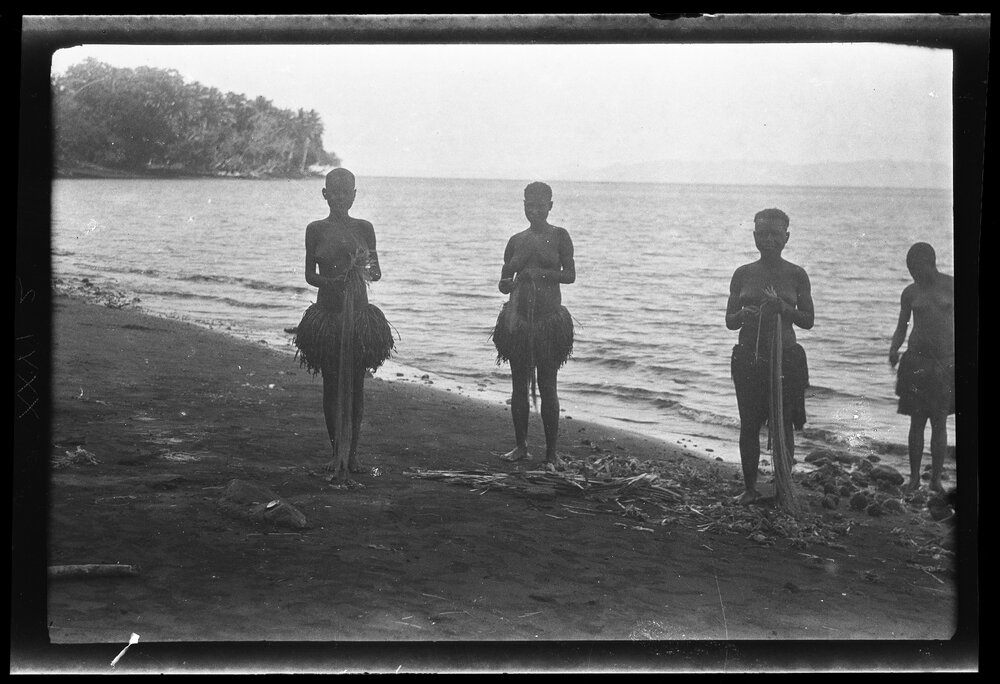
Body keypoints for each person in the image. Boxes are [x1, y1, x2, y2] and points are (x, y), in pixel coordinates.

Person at [293, 168, 394, 484]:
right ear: (324, 194)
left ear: (354, 194)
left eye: (345, 192)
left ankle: (353, 455)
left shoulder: (365, 228)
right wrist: (331, 281)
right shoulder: (315, 230)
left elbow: (376, 273)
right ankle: (336, 451)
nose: (339, 198)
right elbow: (310, 275)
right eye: (333, 192)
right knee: (332, 384)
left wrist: (359, 269)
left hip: (359, 316)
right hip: (328, 315)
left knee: (356, 385)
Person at [726, 208, 815, 504]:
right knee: (749, 424)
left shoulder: (797, 275)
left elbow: (808, 319)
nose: (768, 239)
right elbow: (729, 320)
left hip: (786, 359)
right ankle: (750, 489)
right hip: (748, 359)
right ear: (754, 236)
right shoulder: (743, 274)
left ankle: (782, 488)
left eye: (775, 234)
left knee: (783, 423)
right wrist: (743, 313)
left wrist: (783, 309)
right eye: (762, 233)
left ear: (786, 237)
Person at [491, 182, 576, 468]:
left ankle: (551, 452)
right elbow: (504, 282)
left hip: (548, 321)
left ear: (551, 206)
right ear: (524, 205)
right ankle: (521, 446)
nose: (535, 211)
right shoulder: (516, 240)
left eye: (541, 206)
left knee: (547, 385)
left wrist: (541, 274)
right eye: (530, 206)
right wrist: (507, 284)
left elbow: (570, 275)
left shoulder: (560, 236)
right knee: (519, 385)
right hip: (519, 321)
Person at [889, 242, 955, 493]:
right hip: (916, 362)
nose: (913, 274)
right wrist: (894, 349)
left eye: (916, 268)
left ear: (931, 262)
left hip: (944, 363)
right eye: (909, 269)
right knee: (916, 422)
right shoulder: (909, 292)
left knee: (939, 421)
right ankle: (914, 479)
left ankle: (935, 480)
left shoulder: (951, 285)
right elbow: (901, 326)